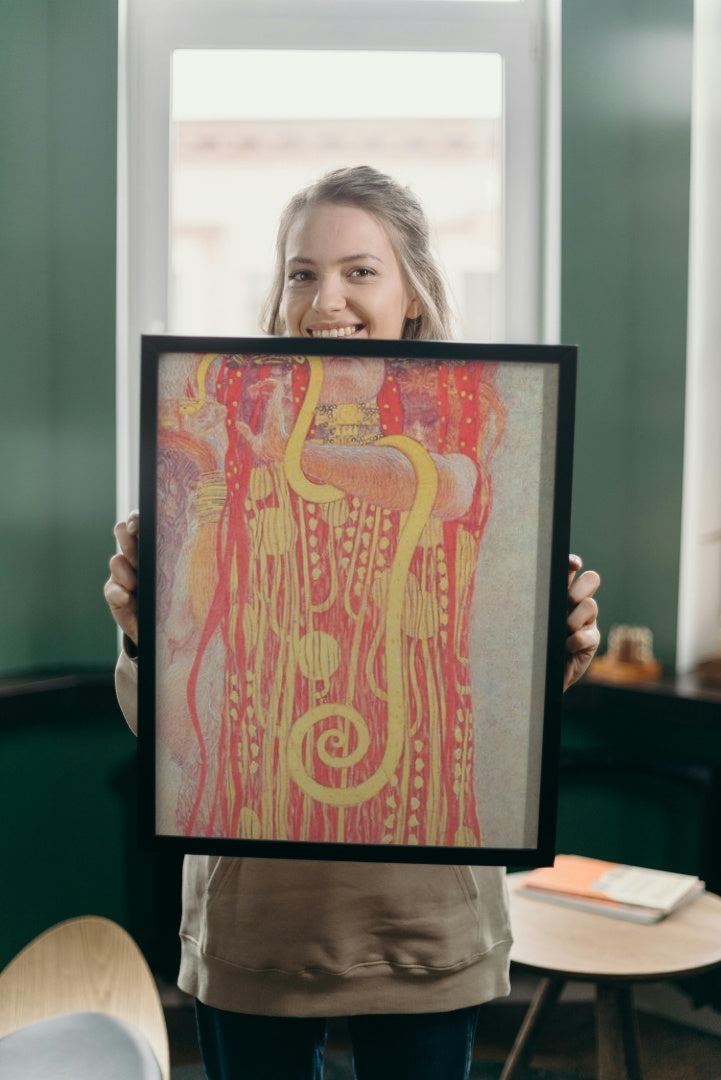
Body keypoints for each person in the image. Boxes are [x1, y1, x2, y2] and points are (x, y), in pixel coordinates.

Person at [105, 166, 601, 1080]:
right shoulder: (216, 435)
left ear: (412, 292)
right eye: (301, 272)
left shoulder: (481, 426)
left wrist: (555, 650)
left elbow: (493, 680)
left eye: (359, 272)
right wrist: (144, 628)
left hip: (423, 914)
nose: (324, 298)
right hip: (257, 918)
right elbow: (168, 721)